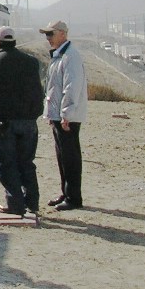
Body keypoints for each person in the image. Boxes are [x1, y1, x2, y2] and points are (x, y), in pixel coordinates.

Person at [0, 26, 44, 216]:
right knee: (26, 162)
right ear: (14, 41)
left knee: (5, 164)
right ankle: (32, 202)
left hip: (4, 123)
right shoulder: (31, 62)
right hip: (29, 121)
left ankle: (15, 204)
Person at [40, 20, 88, 211]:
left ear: (62, 34)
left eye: (50, 34)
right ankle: (66, 193)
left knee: (70, 157)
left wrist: (66, 113)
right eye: (46, 35)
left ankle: (74, 198)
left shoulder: (70, 56)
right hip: (59, 115)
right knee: (63, 156)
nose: (48, 38)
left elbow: (71, 86)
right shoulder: (61, 56)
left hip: (67, 116)